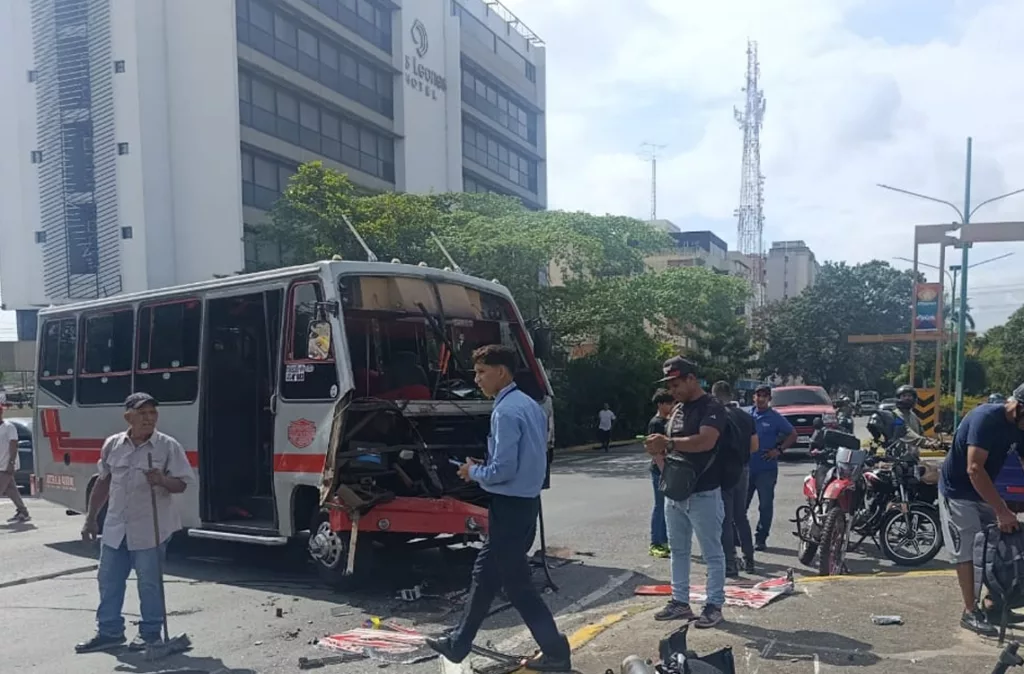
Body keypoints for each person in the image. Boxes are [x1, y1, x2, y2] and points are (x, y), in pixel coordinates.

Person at [428, 345, 571, 672]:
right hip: (525, 505)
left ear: (502, 372)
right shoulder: (529, 406)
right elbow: (526, 459)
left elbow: (503, 471)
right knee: (484, 575)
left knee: (517, 587)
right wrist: (489, 465)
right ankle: (459, 644)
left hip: (509, 507)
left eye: (481, 372)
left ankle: (556, 652)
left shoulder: (505, 411)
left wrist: (473, 472)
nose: (477, 379)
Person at [75, 393, 195, 654]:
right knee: (108, 579)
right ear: (128, 416)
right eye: (142, 413)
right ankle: (109, 632)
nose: (148, 419)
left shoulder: (167, 446)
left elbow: (182, 483)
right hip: (117, 526)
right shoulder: (113, 444)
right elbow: (103, 482)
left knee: (149, 583)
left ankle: (150, 634)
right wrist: (91, 519)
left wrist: (162, 480)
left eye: (153, 413)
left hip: (151, 527)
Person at [644, 357, 726, 628]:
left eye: (677, 383)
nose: (673, 390)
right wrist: (659, 454)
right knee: (678, 550)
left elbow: (706, 441)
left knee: (711, 553)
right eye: (669, 384)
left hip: (703, 492)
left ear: (692, 379)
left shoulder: (712, 407)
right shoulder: (677, 409)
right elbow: (670, 450)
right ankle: (680, 601)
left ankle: (714, 605)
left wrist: (666, 443)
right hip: (676, 492)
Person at [938, 383, 1024, 636]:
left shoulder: (1020, 428)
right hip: (959, 491)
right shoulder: (985, 419)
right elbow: (974, 469)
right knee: (968, 551)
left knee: (1001, 547)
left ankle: (994, 605)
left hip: (985, 490)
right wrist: (1001, 510)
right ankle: (969, 611)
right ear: (1018, 407)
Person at [710, 381, 758, 576]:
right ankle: (750, 559)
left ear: (714, 396)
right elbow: (755, 446)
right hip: (743, 468)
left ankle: (730, 563)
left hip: (723, 471)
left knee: (725, 520)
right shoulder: (747, 417)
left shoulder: (717, 417)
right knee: (741, 516)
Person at [747, 384, 797, 551]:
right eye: (758, 395)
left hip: (766, 468)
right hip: (746, 468)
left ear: (769, 399)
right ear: (753, 397)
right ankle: (739, 537)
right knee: (740, 506)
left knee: (765, 505)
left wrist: (779, 450)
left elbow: (792, 434)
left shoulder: (775, 417)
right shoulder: (747, 415)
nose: (761, 399)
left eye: (764, 396)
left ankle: (761, 539)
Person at [647, 389, 675, 559]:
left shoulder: (668, 421)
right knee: (660, 506)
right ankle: (655, 542)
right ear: (660, 404)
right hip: (660, 470)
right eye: (669, 403)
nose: (672, 406)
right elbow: (655, 451)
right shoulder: (656, 423)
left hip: (669, 468)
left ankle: (664, 540)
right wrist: (664, 470)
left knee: (667, 506)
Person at [0, 398, 30, 522]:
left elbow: (14, 444)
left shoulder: (8, 427)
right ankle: (23, 512)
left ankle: (23, 512)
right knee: (11, 490)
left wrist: (11, 463)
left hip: (6, 464)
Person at [892, 384, 940, 451]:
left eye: (909, 396)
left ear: (914, 399)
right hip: (898, 456)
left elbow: (921, 434)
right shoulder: (895, 415)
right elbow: (905, 432)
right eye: (904, 396)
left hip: (913, 456)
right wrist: (924, 442)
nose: (907, 398)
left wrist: (931, 441)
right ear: (898, 398)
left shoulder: (913, 416)